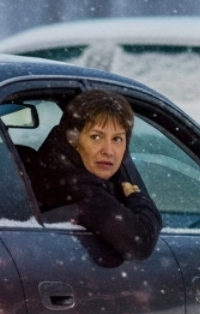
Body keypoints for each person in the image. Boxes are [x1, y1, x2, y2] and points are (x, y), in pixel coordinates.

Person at [27, 90, 160, 262]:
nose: (109, 151)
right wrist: (138, 199)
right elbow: (140, 243)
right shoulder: (77, 187)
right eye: (96, 137)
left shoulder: (54, 168)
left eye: (117, 139)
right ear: (73, 139)